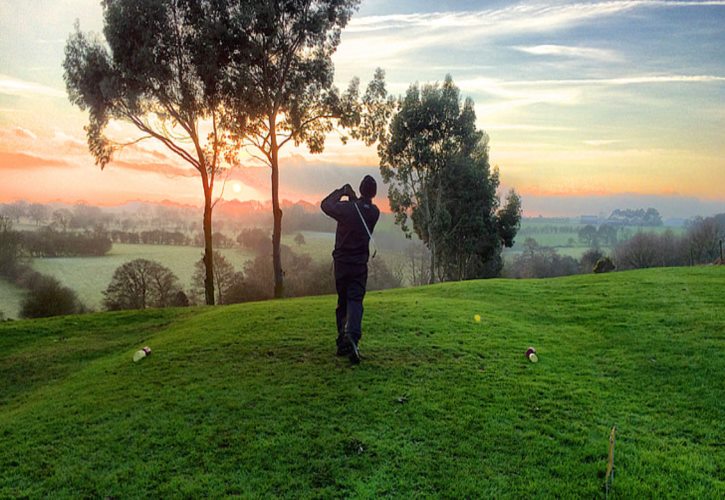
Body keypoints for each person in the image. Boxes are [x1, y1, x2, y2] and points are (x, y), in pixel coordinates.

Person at [321, 175, 380, 364]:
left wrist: (342, 192)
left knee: (343, 301)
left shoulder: (347, 209)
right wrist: (354, 198)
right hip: (359, 264)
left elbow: (325, 205)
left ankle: (343, 341)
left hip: (341, 263)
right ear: (374, 193)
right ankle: (352, 337)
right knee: (355, 300)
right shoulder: (375, 212)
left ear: (360, 189)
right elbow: (361, 209)